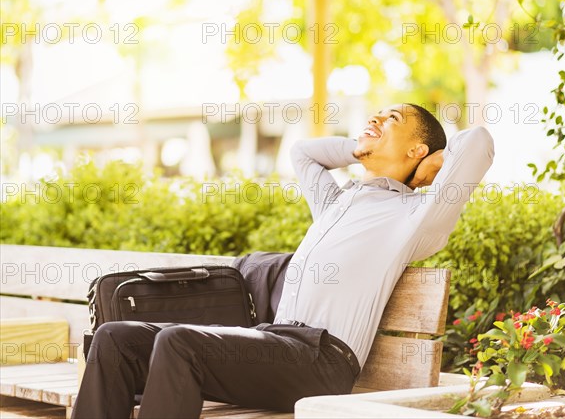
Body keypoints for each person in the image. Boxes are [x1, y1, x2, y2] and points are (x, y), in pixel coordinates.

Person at [71, 103, 494, 419]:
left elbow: (478, 142)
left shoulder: (414, 217)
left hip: (321, 361)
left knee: (178, 343)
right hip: (275, 343)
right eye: (377, 115)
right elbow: (303, 153)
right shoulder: (337, 203)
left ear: (417, 149)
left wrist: (432, 163)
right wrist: (362, 148)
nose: (376, 119)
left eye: (392, 120)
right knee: (114, 338)